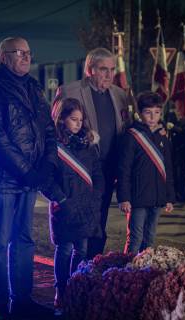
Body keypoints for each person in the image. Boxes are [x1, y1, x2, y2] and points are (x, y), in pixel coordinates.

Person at [0, 37, 57, 320]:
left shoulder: (33, 87)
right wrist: (28, 171)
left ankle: (22, 299)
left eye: (29, 53)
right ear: (4, 57)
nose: (26, 58)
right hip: (2, 179)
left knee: (24, 240)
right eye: (20, 53)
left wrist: (46, 165)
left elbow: (47, 129)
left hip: (29, 179)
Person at [52, 47, 129, 259]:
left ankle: (92, 266)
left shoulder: (120, 95)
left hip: (108, 169)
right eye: (103, 69)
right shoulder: (69, 91)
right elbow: (55, 129)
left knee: (99, 220)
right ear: (90, 69)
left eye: (112, 69)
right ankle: (72, 275)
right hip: (78, 171)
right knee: (75, 227)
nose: (109, 75)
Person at [42, 98, 103, 315]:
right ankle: (61, 290)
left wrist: (96, 198)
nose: (78, 124)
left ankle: (74, 290)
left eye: (80, 120)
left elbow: (98, 174)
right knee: (65, 248)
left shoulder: (88, 145)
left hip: (86, 207)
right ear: (62, 119)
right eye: (73, 120)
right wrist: (61, 199)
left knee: (82, 249)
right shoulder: (54, 146)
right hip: (65, 208)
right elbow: (46, 178)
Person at [117, 91, 175, 254]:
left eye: (157, 112)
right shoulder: (132, 136)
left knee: (150, 237)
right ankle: (128, 271)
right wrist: (124, 198)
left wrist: (169, 197)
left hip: (157, 197)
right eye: (148, 112)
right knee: (135, 237)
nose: (152, 117)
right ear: (140, 113)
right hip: (137, 197)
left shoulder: (162, 136)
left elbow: (168, 168)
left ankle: (143, 272)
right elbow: (124, 169)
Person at [166, 106, 185, 205]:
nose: (177, 112)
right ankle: (176, 195)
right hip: (174, 153)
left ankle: (183, 196)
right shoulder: (174, 120)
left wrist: (174, 128)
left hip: (183, 153)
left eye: (178, 110)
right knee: (175, 176)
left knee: (182, 176)